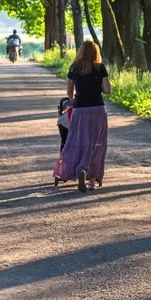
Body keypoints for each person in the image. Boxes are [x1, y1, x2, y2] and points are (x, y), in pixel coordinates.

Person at [52, 41, 111, 192]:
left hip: (80, 111)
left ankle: (81, 169)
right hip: (98, 110)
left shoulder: (74, 68)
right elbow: (107, 90)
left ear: (80, 51)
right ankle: (92, 180)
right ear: (95, 52)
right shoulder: (100, 67)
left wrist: (73, 100)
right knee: (97, 143)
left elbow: (69, 92)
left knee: (78, 141)